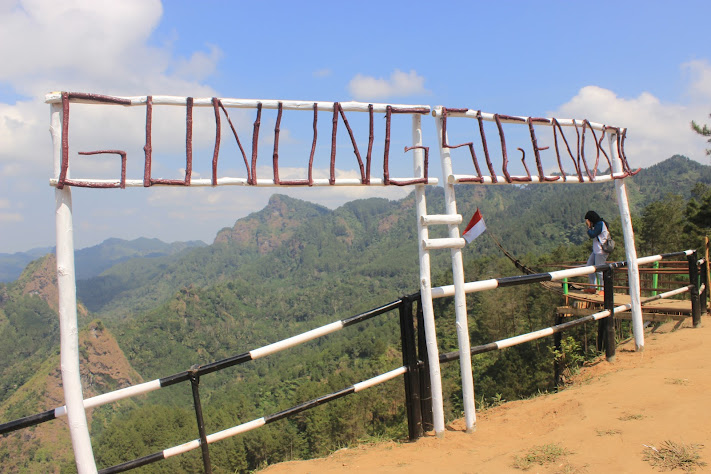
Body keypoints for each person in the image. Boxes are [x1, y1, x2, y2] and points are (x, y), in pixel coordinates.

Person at [584, 210, 611, 294]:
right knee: (589, 267)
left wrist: (589, 227)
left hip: (601, 251)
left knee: (599, 270)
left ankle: (603, 289)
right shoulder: (597, 224)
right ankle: (593, 287)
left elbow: (592, 234)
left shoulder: (600, 224)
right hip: (596, 251)